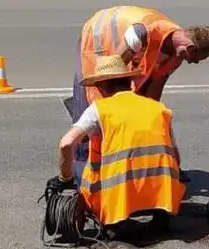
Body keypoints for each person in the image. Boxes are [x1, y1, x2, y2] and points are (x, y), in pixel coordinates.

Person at [70, 5, 209, 180]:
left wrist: (149, 117)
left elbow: (154, 91)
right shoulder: (142, 33)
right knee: (93, 108)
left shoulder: (177, 55)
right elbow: (111, 71)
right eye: (198, 58)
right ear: (191, 48)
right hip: (99, 39)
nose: (196, 63)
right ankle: (81, 175)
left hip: (116, 55)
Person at [52, 54, 184, 235]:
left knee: (95, 167)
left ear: (101, 86)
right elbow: (176, 158)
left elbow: (66, 144)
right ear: (130, 82)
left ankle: (113, 215)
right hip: (162, 198)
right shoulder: (158, 108)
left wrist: (64, 179)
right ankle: (158, 213)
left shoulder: (100, 109)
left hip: (119, 201)